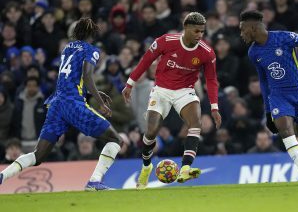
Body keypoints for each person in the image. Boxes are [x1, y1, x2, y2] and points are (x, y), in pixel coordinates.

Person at [0, 18, 123, 191]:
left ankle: (3, 175)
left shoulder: (67, 48)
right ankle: (95, 181)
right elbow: (87, 76)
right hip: (72, 103)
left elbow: (69, 78)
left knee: (38, 155)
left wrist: (88, 91)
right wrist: (100, 102)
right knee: (116, 139)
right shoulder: (91, 50)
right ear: (92, 34)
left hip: (56, 104)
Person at [122, 12, 222, 189]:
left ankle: (185, 168)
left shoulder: (206, 52)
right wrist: (130, 83)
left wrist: (214, 107)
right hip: (161, 90)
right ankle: (146, 167)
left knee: (195, 123)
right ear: (186, 28)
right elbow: (146, 60)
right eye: (196, 31)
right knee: (151, 132)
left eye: (202, 32)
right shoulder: (167, 41)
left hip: (185, 92)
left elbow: (212, 80)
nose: (200, 35)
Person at [239, 10, 298, 185]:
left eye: (242, 30)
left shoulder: (283, 37)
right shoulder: (253, 53)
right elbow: (263, 81)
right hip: (278, 94)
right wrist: (268, 111)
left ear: (252, 28)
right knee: (285, 130)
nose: (241, 34)